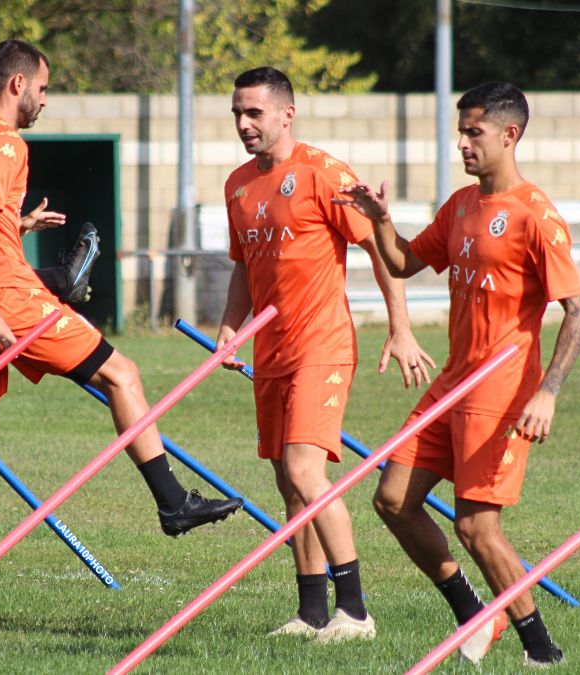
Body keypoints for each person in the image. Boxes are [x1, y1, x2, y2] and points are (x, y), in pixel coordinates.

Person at [0, 39, 243, 626]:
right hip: (2, 302)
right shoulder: (4, 142)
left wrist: (14, 226)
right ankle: (173, 502)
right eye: (43, 89)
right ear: (17, 84)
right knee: (123, 374)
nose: (45, 101)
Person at [337, 81, 580, 666]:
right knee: (393, 499)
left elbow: (578, 311)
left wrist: (547, 392)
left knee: (478, 528)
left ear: (510, 135)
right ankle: (474, 615)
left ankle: (541, 650)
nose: (462, 143)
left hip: (501, 392)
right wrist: (380, 221)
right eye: (461, 131)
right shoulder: (459, 205)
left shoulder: (535, 215)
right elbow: (403, 261)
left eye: (473, 131)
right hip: (452, 383)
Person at [215, 67, 433, 643]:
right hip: (272, 350)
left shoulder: (323, 172)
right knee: (288, 484)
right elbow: (244, 266)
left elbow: (380, 248)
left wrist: (401, 328)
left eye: (254, 113)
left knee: (306, 472)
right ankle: (312, 612)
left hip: (323, 344)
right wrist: (229, 329)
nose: (243, 124)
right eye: (237, 113)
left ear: (286, 114)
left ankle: (356, 611)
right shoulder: (237, 184)